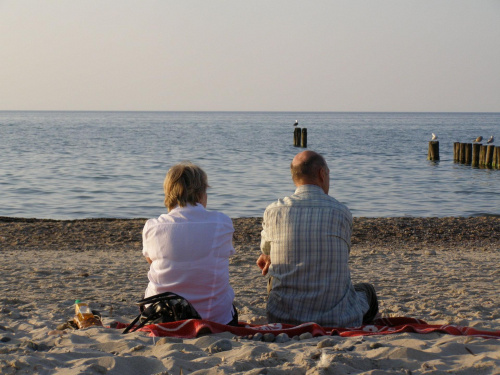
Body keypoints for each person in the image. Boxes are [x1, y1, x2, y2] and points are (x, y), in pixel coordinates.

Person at [257, 151, 378, 327]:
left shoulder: (273, 211)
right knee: (367, 291)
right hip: (337, 319)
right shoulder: (341, 212)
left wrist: (268, 255)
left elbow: (265, 252)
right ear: (322, 173)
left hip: (282, 317)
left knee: (273, 277)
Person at [142, 162, 237, 325]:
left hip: (163, 316)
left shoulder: (153, 227)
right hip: (214, 318)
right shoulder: (222, 223)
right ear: (201, 193)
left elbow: (150, 260)